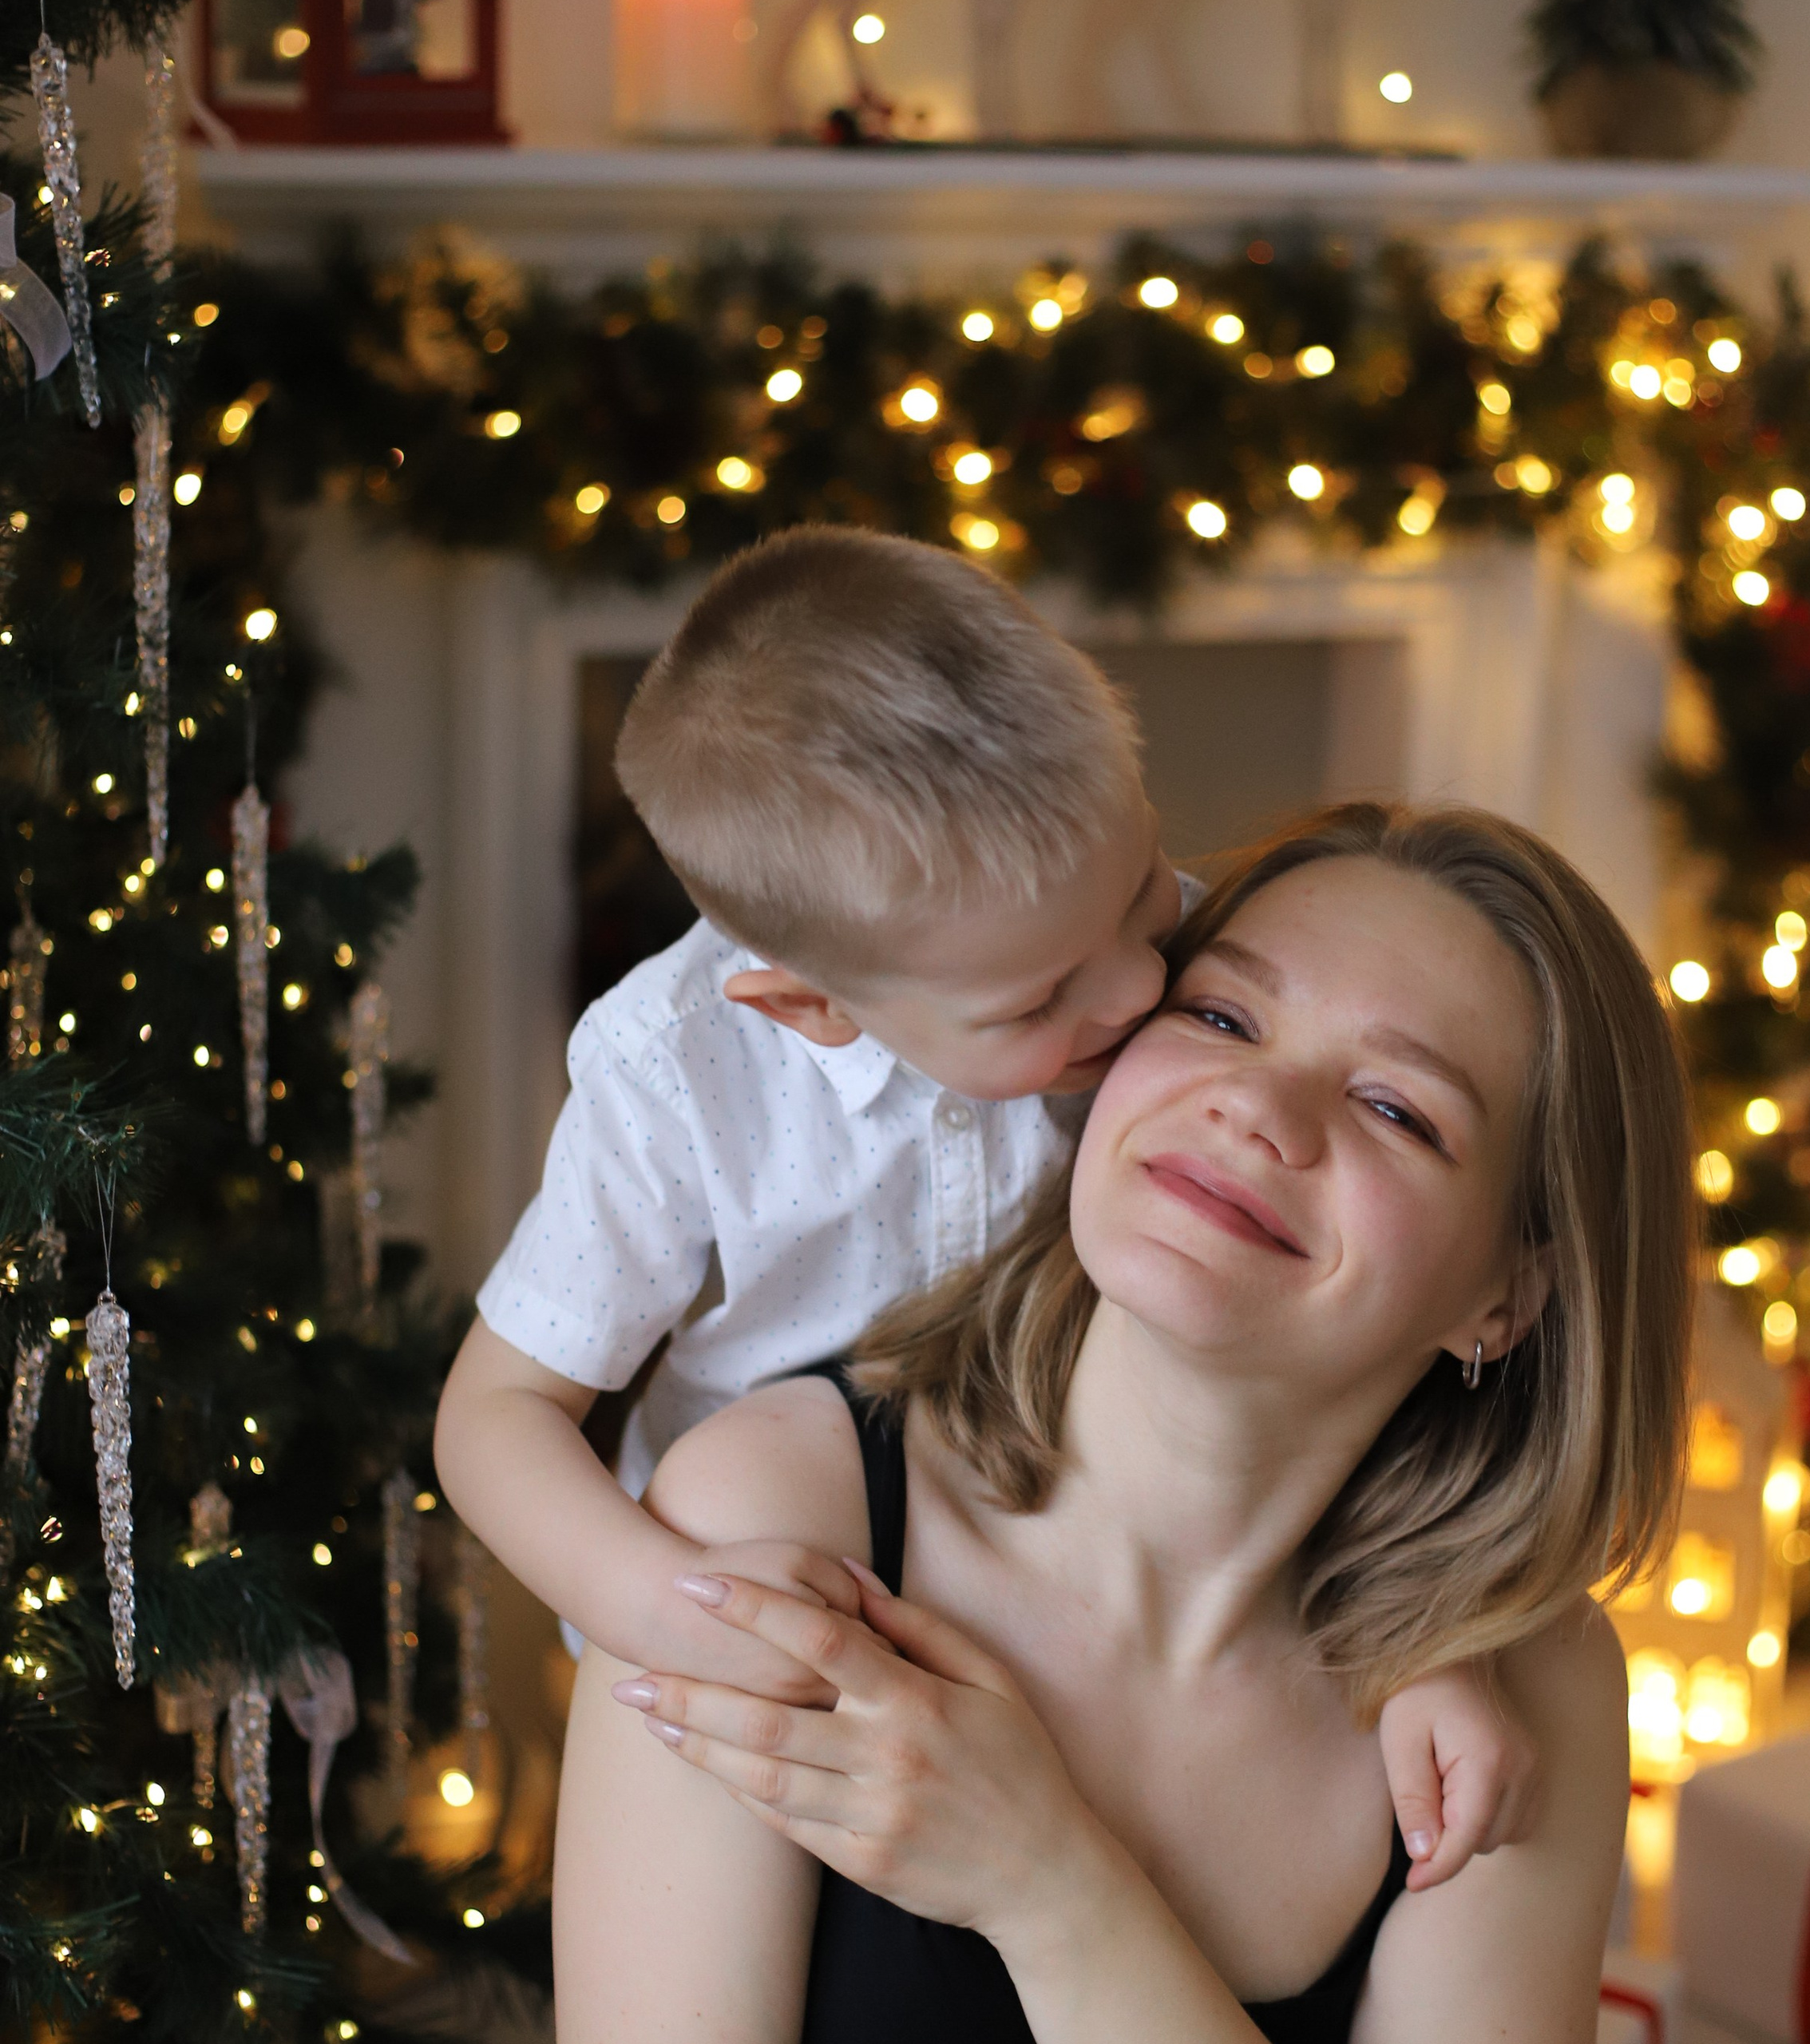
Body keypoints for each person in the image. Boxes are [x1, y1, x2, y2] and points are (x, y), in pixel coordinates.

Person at [434, 533, 1530, 1888]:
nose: (1136, 991)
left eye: (1144, 891)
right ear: (811, 1003)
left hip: (1084, 1600)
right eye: (1037, 1003)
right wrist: (654, 1602)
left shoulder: (1142, 967)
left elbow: (1322, 1351)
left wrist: (1429, 1645)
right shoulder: (677, 1069)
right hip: (786, 1630)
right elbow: (497, 1416)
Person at [555, 801, 1694, 2044]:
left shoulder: (1534, 1690)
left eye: (1399, 1110)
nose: (1260, 1105)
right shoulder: (761, 1523)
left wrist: (1050, 1886)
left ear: (1508, 1296)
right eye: (1219, 1016)